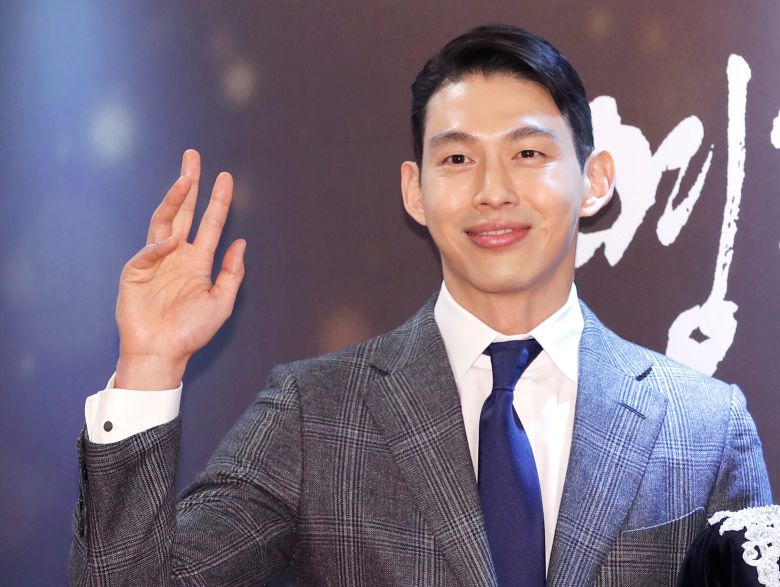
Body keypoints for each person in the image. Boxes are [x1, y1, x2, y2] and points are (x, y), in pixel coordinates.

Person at [69, 24, 772, 586]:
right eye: (458, 159)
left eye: (528, 154)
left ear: (594, 180)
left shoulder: (705, 427)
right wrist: (149, 365)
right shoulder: (315, 415)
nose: (492, 191)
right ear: (415, 190)